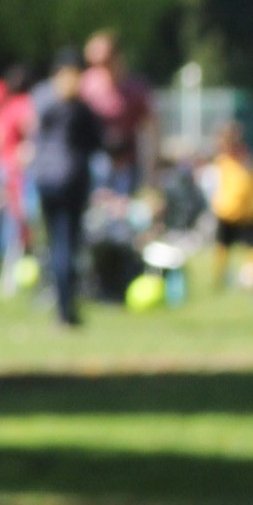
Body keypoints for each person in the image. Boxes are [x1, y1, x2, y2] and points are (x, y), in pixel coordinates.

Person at [29, 47, 100, 324]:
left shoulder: (43, 101)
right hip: (72, 178)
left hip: (45, 177)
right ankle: (65, 308)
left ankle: (60, 303)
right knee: (67, 244)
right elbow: (96, 143)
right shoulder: (80, 108)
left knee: (54, 243)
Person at [79, 31, 154, 187]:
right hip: (96, 159)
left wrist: (152, 165)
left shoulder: (135, 88)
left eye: (105, 61)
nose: (101, 67)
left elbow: (150, 127)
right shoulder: (86, 85)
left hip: (127, 161)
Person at [0, 64, 34, 287]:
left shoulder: (3, 108)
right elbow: (32, 136)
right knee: (18, 223)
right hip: (16, 172)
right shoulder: (25, 106)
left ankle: (3, 271)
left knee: (6, 222)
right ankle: (11, 276)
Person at [206, 120, 253, 285]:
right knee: (223, 246)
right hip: (227, 211)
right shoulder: (222, 161)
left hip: (248, 212)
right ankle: (220, 277)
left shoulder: (246, 160)